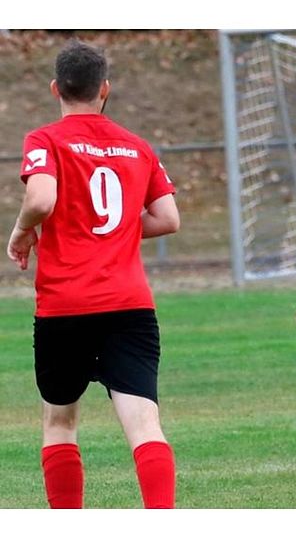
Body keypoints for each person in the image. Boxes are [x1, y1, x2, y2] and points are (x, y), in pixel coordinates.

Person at [7, 41, 180, 508]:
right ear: (105, 89)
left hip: (66, 306)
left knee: (60, 423)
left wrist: (23, 231)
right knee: (145, 426)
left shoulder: (45, 140)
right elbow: (168, 218)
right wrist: (118, 230)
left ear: (55, 88)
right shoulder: (137, 146)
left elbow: (41, 200)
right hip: (130, 306)